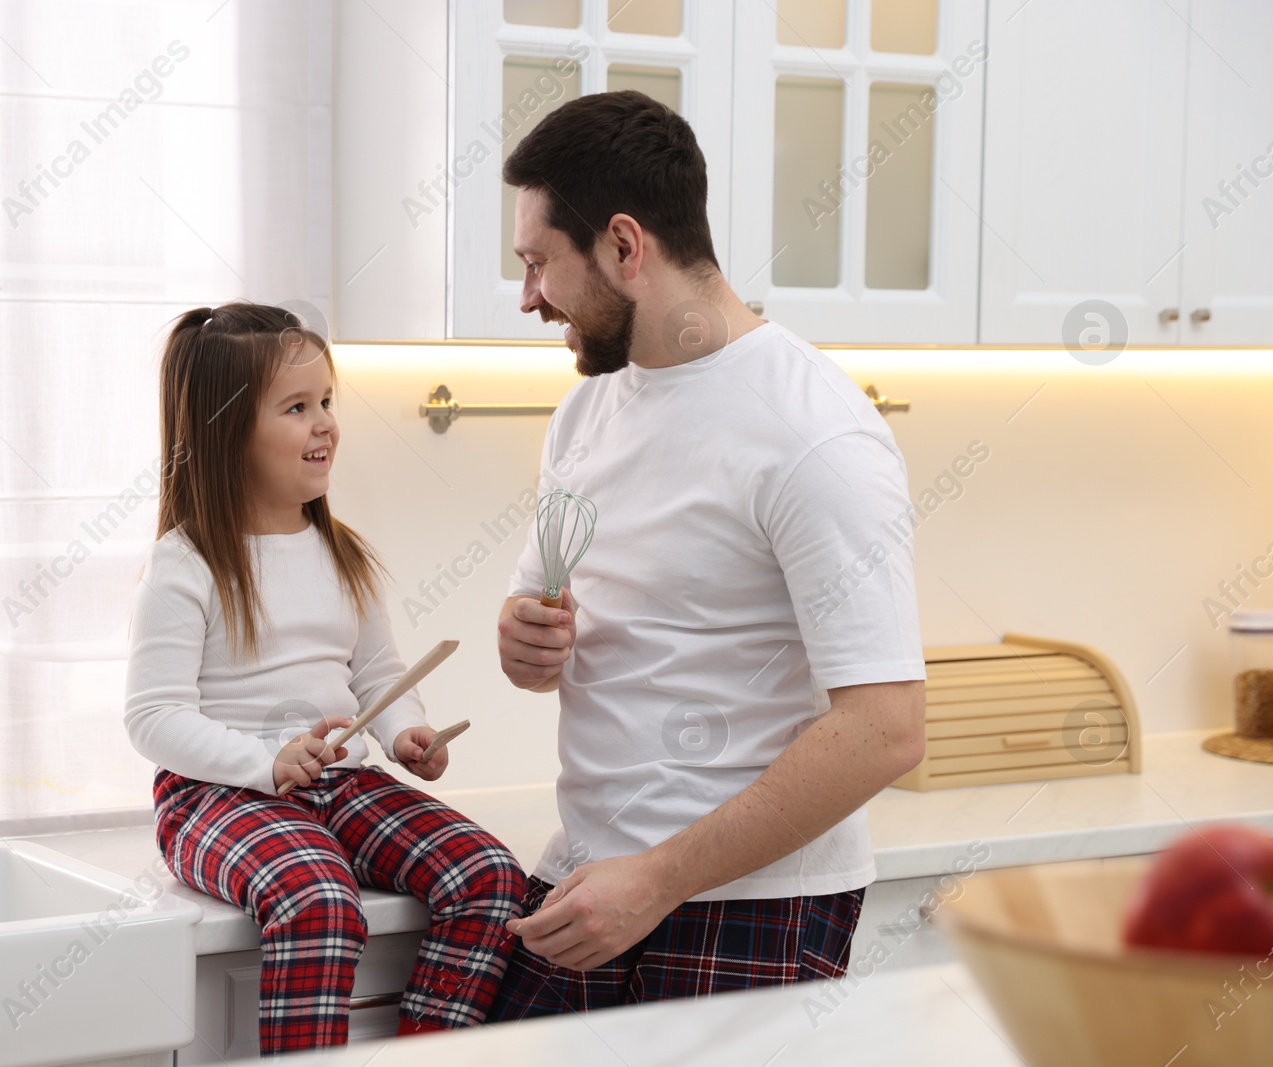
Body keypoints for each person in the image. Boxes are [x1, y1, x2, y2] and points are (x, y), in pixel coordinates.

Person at [489, 90, 928, 1018]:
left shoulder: (811, 431)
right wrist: (523, 638)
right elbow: (554, 620)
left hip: (748, 908)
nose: (528, 296)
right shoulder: (586, 409)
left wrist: (658, 878)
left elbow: (885, 728)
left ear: (623, 245)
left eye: (537, 263)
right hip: (592, 876)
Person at [124, 301, 525, 1054]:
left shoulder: (341, 552)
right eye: (298, 407)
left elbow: (376, 670)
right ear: (227, 430)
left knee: (490, 877)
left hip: (334, 780)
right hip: (214, 790)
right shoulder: (187, 564)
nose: (325, 424)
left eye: (328, 402)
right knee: (317, 898)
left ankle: (424, 1051)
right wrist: (263, 762)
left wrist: (406, 727)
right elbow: (153, 718)